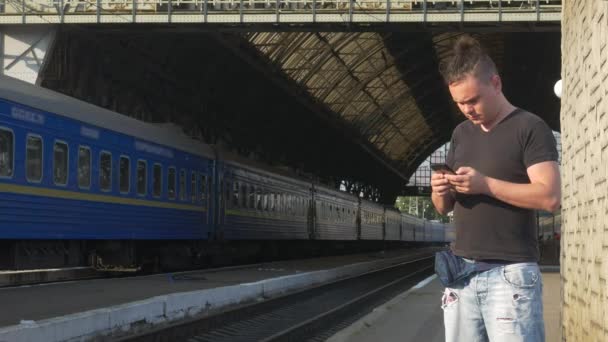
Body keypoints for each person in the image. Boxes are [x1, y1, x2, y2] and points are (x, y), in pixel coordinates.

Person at [431, 35, 560, 342]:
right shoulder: (461, 134)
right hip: (460, 275)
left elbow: (550, 196)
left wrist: (485, 184)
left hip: (510, 276)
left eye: (473, 99)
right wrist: (440, 189)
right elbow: (444, 208)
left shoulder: (529, 128)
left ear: (496, 83)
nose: (467, 109)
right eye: (460, 103)